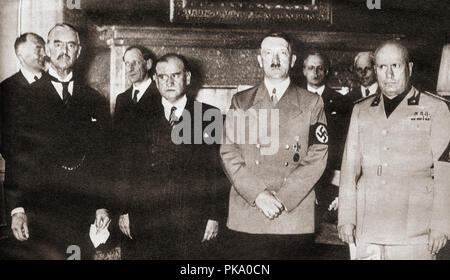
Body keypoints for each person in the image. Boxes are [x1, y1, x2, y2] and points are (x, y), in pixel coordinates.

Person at [4, 23, 112, 259]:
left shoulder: (94, 100)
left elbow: (102, 157)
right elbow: (16, 156)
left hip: (81, 207)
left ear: (79, 51)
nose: (64, 50)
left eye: (71, 44)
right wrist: (17, 209)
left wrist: (101, 204)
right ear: (47, 51)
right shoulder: (25, 98)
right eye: (58, 44)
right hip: (39, 207)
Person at [220, 32, 328, 260]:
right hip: (249, 211)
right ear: (260, 60)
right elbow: (229, 152)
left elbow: (318, 155)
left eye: (282, 53)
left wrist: (284, 198)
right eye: (268, 53)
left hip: (293, 212)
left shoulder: (311, 102)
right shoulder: (241, 101)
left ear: (293, 60)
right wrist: (258, 195)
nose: (275, 59)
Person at [338, 40, 450, 260]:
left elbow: (446, 173)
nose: (389, 74)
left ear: (409, 68)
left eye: (395, 66)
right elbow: (349, 170)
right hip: (368, 224)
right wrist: (346, 217)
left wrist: (441, 225)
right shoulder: (361, 109)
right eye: (381, 67)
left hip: (415, 229)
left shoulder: (435, 108)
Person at [118, 53, 225, 259]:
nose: (169, 82)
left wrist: (214, 216)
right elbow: (126, 166)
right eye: (163, 77)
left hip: (191, 219)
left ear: (188, 78)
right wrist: (124, 210)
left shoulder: (208, 116)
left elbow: (216, 171)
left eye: (175, 75)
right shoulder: (136, 115)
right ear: (156, 80)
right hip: (146, 217)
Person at [302, 51, 352, 254]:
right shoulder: (294, 98)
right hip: (302, 178)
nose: (315, 72)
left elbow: (345, 143)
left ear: (327, 71)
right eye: (311, 67)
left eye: (320, 67)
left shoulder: (341, 102)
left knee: (328, 241)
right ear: (303, 70)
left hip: (330, 178)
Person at [0, 33, 46, 242]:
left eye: (43, 47)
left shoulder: (54, 86)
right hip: (23, 186)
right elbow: (7, 144)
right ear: (20, 53)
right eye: (37, 48)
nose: (43, 53)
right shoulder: (6, 90)